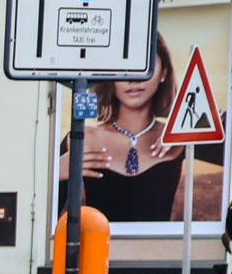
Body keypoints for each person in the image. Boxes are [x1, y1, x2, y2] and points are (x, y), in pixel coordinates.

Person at [60, 35, 218, 223]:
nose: (133, 79)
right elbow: (43, 223)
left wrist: (185, 127)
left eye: (144, 66)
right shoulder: (81, 139)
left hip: (160, 251)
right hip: (98, 249)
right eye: (123, 68)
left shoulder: (179, 138)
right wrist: (56, 173)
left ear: (163, 73)